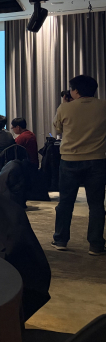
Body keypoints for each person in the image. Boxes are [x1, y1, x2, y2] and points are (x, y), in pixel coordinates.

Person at [52, 75, 106, 255]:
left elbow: (58, 128)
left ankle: (60, 240)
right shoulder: (103, 106)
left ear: (75, 90)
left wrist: (65, 104)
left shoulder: (65, 108)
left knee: (65, 202)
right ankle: (96, 245)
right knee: (96, 204)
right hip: (97, 159)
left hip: (69, 159)